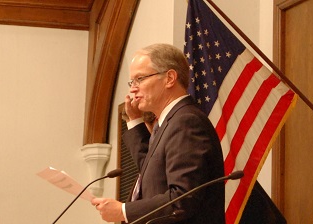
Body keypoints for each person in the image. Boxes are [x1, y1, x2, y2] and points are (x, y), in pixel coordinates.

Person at [91, 43, 225, 224]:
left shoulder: (186, 121)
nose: (133, 89)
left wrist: (124, 211)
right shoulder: (170, 122)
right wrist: (135, 121)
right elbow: (151, 172)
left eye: (140, 79)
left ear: (170, 78)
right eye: (132, 82)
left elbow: (183, 198)